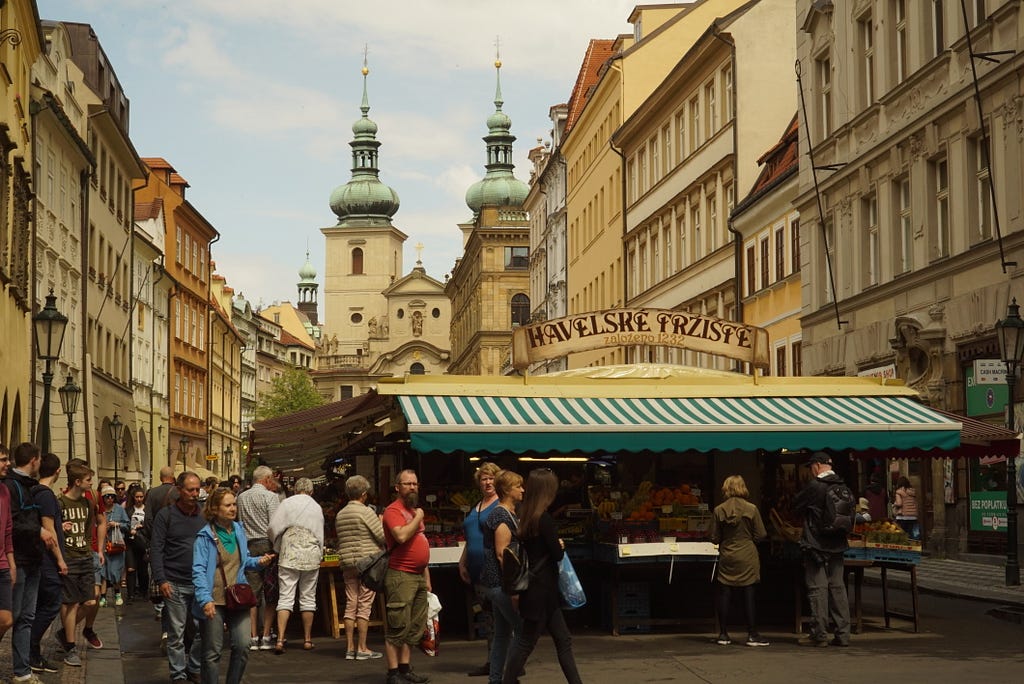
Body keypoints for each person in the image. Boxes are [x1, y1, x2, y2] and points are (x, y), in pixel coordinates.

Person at [502, 468, 583, 684]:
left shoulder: (525, 515)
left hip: (537, 589)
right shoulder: (544, 519)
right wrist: (561, 545)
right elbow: (556, 554)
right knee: (527, 641)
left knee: (562, 639)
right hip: (543, 590)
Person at [193, 487, 274, 684]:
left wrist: (258, 562)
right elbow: (199, 570)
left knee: (243, 645)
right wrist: (205, 600)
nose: (233, 508)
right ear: (214, 509)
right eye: (227, 505)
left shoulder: (238, 529)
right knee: (213, 652)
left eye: (234, 504)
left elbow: (243, 561)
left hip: (237, 595)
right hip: (214, 599)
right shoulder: (204, 536)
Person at [4, 442, 58, 684]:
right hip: (20, 560)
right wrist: (39, 531)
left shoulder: (28, 486)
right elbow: (13, 523)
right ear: (34, 460)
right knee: (11, 617)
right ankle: (22, 669)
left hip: (32, 559)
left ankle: (22, 671)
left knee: (25, 617)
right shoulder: (11, 486)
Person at [152, 472, 206, 683]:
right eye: (190, 490)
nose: (195, 494)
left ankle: (193, 667)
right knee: (176, 633)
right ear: (179, 490)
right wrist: (161, 579)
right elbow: (156, 549)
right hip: (173, 582)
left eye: (197, 489)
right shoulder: (166, 516)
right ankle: (178, 674)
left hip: (199, 582)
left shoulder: (203, 515)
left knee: (204, 630)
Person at [793, 451, 851, 648]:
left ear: (817, 466)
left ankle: (819, 634)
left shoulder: (815, 486)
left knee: (818, 589)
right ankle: (843, 634)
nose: (810, 471)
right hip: (838, 544)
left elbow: (796, 506)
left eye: (810, 467)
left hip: (816, 545)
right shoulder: (842, 485)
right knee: (838, 588)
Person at [382, 469, 432, 684]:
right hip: (400, 575)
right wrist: (420, 516)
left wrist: (426, 577)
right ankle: (393, 673)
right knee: (397, 624)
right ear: (397, 487)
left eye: (415, 483)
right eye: (407, 483)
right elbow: (401, 536)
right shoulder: (393, 511)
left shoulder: (412, 511)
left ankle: (405, 668)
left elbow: (420, 542)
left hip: (418, 575)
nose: (412, 487)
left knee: (414, 625)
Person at [709, 475, 769, 647]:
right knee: (749, 593)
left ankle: (723, 634)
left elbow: (714, 537)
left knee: (724, 593)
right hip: (747, 555)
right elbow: (761, 534)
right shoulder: (751, 509)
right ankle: (752, 634)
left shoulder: (719, 510)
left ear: (726, 488)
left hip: (727, 554)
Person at [267, 477, 323, 654]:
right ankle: (307, 639)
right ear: (311, 491)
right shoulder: (316, 507)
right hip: (311, 553)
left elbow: (273, 527)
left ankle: (280, 640)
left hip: (289, 551)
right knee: (308, 597)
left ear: (295, 489)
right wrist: (319, 552)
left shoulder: (287, 503)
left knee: (285, 596)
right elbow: (320, 534)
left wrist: (277, 545)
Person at [335, 474, 385, 661]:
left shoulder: (340, 514)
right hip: (367, 563)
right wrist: (381, 521)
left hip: (348, 563)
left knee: (351, 603)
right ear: (363, 494)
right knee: (364, 605)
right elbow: (382, 537)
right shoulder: (366, 512)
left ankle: (349, 647)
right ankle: (362, 648)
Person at [481, 470, 524, 684]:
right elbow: (502, 554)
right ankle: (510, 677)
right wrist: (514, 590)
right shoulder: (501, 515)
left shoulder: (508, 513)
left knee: (502, 634)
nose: (522, 490)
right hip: (500, 584)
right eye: (519, 486)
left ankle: (496, 680)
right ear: (507, 490)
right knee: (522, 631)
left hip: (496, 584)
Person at [457, 462, 500, 678]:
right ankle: (494, 660)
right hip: (475, 571)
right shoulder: (478, 504)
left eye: (491, 478)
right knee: (488, 618)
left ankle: (501, 662)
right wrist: (463, 561)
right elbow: (470, 536)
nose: (487, 482)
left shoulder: (500, 505)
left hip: (492, 570)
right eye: (484, 479)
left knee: (498, 619)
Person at [56, 462, 99, 669]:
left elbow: (89, 528)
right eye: (89, 480)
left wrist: (93, 551)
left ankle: (65, 632)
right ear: (77, 482)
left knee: (91, 602)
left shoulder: (88, 504)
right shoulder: (60, 503)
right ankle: (71, 647)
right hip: (70, 557)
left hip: (85, 556)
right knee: (71, 604)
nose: (92, 483)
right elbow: (51, 530)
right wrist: (61, 529)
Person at [29, 453, 68, 674]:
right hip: (47, 560)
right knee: (51, 604)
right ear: (58, 472)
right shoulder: (45, 495)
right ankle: (30, 649)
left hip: (41, 558)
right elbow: (48, 528)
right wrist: (60, 559)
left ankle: (31, 651)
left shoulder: (35, 492)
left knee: (38, 606)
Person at [236, 465, 280, 651]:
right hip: (266, 544)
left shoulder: (241, 497)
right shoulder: (271, 497)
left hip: (247, 545)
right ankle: (267, 634)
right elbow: (275, 525)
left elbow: (238, 521)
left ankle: (253, 636)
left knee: (252, 593)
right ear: (267, 479)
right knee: (270, 592)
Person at [99, 485, 129, 606]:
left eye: (112, 496)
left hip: (116, 546)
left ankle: (117, 594)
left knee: (115, 571)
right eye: (107, 496)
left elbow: (127, 525)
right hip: (103, 546)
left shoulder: (119, 510)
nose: (110, 499)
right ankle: (103, 597)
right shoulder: (99, 510)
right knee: (103, 572)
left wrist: (116, 524)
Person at [0, 445, 16, 650]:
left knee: (6, 620)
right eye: (3, 460)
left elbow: (8, 529)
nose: (8, 463)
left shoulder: (4, 491)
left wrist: (11, 563)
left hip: (2, 564)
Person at [125, 485, 148, 599]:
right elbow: (125, 524)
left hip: (143, 542)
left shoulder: (147, 510)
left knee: (143, 569)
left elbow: (150, 525)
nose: (139, 499)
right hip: (130, 542)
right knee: (130, 568)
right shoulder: (129, 510)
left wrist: (142, 526)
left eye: (141, 497)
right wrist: (130, 529)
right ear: (133, 497)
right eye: (137, 497)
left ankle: (144, 591)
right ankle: (131, 594)